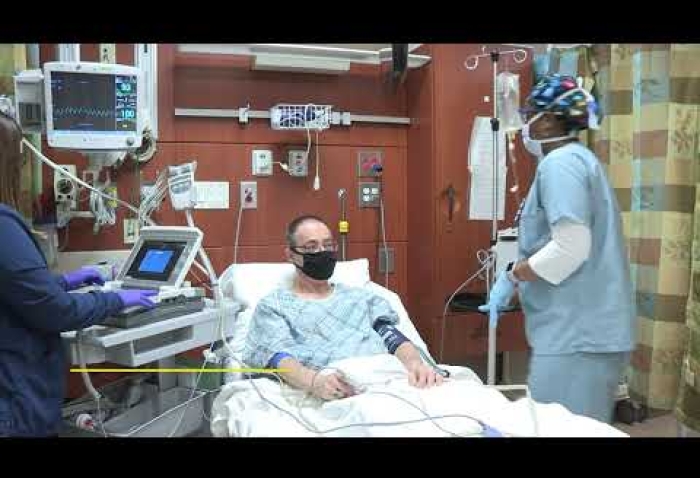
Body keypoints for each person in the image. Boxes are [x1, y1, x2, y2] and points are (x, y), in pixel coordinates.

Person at [479, 74, 635, 423]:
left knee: (557, 427)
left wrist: (514, 276)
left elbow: (570, 248)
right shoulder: (578, 160)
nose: (525, 124)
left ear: (548, 120)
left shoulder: (560, 164)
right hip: (584, 330)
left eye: (529, 114)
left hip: (577, 335)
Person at [0, 109, 157, 437]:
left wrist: (66, 280)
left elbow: (16, 288)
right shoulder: (3, 226)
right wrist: (115, 300)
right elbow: (56, 311)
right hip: (15, 406)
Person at [243, 215, 443, 400]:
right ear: (291, 255)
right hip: (332, 386)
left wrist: (416, 365)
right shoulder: (275, 306)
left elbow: (392, 337)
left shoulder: (361, 298)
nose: (322, 252)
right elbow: (278, 357)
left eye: (328, 245)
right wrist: (314, 382)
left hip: (386, 378)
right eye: (311, 247)